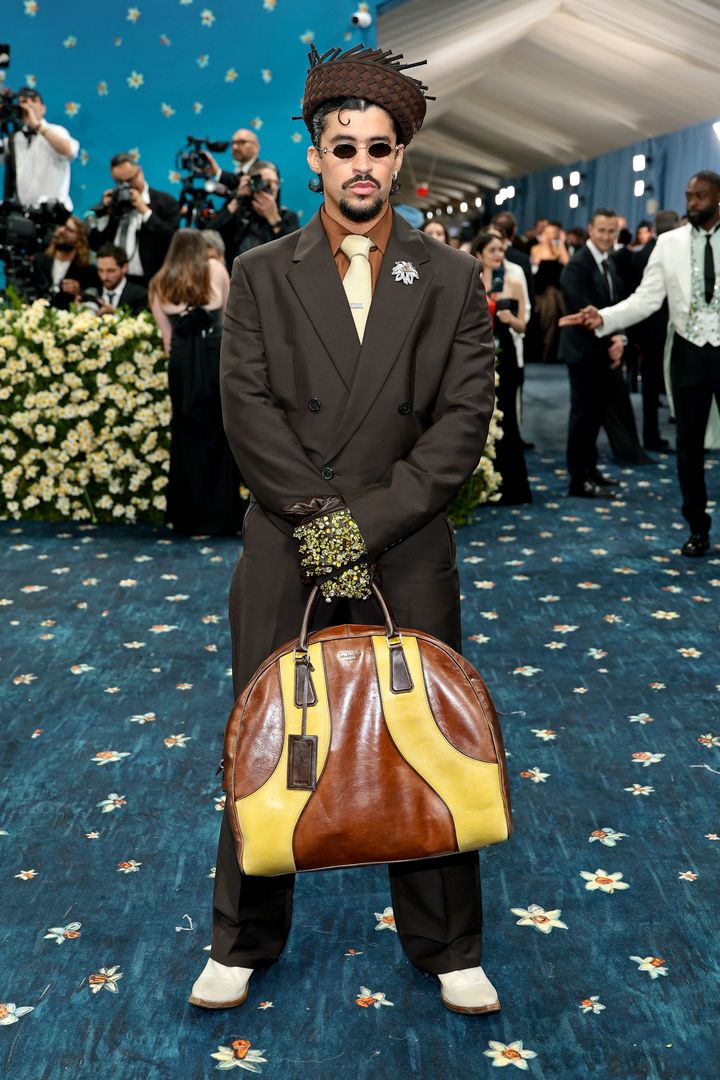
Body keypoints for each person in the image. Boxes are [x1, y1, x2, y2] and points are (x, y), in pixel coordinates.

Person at [190, 42, 497, 1017]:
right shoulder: (259, 272)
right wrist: (326, 528)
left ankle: (449, 945)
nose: (361, 165)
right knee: (266, 734)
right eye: (344, 148)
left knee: (426, 735)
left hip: (406, 539)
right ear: (315, 156)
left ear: (400, 157)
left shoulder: (449, 277)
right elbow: (247, 414)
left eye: (378, 148)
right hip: (290, 541)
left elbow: (461, 425)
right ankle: (241, 938)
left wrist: (363, 525)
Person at [560, 172, 720, 557]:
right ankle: (697, 527)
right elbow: (645, 300)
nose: (692, 203)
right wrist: (604, 317)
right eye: (688, 195)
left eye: (700, 196)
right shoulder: (669, 243)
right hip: (687, 355)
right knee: (688, 446)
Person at [149, 230, 243, 536]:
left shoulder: (159, 282)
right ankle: (220, 516)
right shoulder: (216, 269)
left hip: (181, 363)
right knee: (219, 432)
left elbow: (167, 339)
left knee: (185, 433)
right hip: (214, 356)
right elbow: (229, 318)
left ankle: (187, 517)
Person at [558, 208, 630, 496]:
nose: (607, 236)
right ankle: (579, 479)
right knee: (583, 416)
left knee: (596, 414)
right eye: (602, 230)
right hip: (583, 352)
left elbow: (617, 305)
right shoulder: (577, 265)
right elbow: (583, 312)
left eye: (612, 231)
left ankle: (591, 469)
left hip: (602, 351)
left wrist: (619, 339)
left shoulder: (608, 261)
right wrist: (611, 343)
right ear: (590, 230)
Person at [474, 231, 531, 504]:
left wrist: (509, 318)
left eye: (501, 250)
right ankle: (480, 486)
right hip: (478, 354)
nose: (498, 255)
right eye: (492, 250)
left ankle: (512, 485)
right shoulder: (472, 281)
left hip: (506, 355)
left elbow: (523, 326)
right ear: (480, 253)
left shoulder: (514, 283)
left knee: (507, 418)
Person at [626, 209, 680, 450]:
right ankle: (652, 436)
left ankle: (651, 434)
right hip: (662, 328)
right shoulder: (665, 252)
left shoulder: (642, 253)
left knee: (651, 386)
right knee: (656, 384)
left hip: (646, 328)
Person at [88, 153, 180, 286]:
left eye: (131, 179)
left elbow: (173, 240)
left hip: (153, 282)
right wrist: (103, 213)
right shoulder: (114, 203)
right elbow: (96, 245)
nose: (128, 186)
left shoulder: (165, 202)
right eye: (120, 182)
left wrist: (145, 211)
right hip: (117, 282)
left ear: (140, 171)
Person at [207, 160, 300, 267]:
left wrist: (274, 218)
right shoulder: (239, 212)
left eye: (276, 182)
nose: (273, 187)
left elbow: (295, 254)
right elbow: (208, 237)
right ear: (252, 183)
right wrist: (237, 198)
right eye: (267, 182)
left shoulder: (287, 217)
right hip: (235, 274)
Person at [1, 87, 79, 208]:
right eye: (23, 102)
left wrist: (38, 126)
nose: (28, 106)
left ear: (43, 109)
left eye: (33, 100)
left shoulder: (56, 131)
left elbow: (69, 151)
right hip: (24, 213)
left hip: (53, 212)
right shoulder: (14, 139)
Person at [34, 216, 98, 308]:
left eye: (69, 230)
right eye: (61, 226)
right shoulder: (39, 261)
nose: (61, 231)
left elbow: (93, 299)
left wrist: (79, 292)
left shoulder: (88, 271)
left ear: (79, 239)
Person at [530, 221, 569, 362]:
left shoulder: (559, 248)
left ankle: (555, 353)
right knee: (547, 318)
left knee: (560, 316)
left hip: (557, 291)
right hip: (543, 292)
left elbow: (568, 264)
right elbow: (537, 264)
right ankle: (544, 352)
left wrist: (561, 244)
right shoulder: (536, 248)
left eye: (554, 233)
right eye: (549, 233)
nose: (552, 235)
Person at [96, 243, 148, 315]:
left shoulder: (141, 296)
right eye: (100, 270)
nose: (104, 277)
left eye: (110, 271)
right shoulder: (93, 291)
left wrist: (117, 313)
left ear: (124, 268)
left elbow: (144, 320)